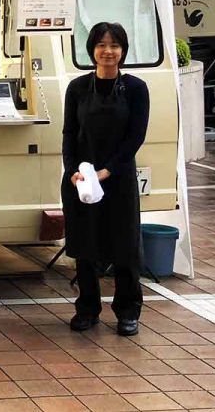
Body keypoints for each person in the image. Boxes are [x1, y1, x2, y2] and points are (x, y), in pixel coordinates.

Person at [61, 21, 150, 336]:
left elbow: (134, 138)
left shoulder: (136, 88)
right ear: (92, 50)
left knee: (124, 247)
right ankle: (87, 309)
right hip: (81, 181)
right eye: (101, 45)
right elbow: (69, 134)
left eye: (114, 45)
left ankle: (128, 311)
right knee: (85, 247)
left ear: (123, 50)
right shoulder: (78, 88)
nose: (107, 51)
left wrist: (107, 171)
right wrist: (73, 171)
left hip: (117, 178)